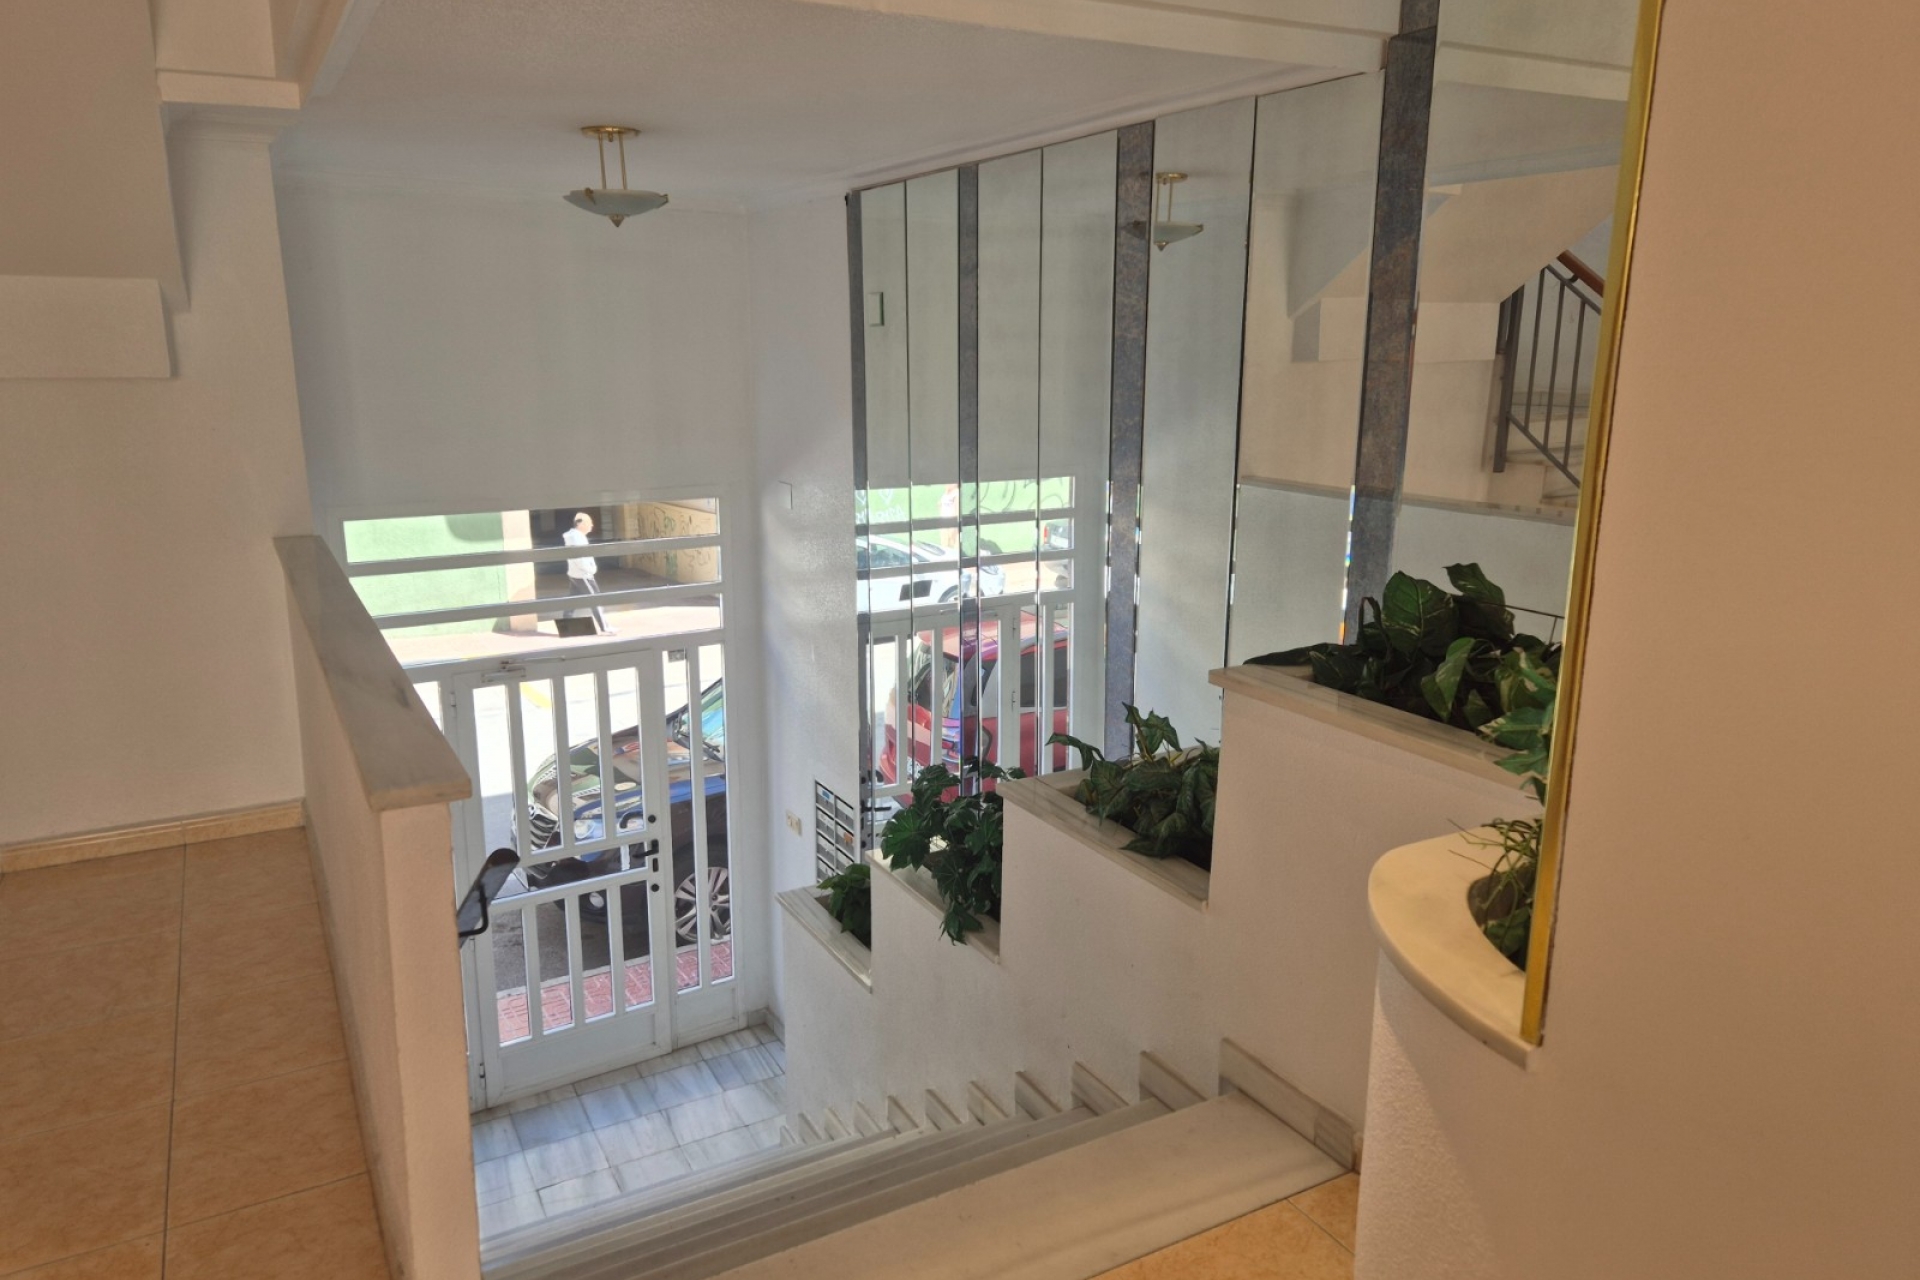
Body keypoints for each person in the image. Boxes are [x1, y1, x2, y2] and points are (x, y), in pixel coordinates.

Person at [563, 512, 612, 635]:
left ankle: (566, 628)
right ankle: (605, 628)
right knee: (595, 600)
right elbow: (580, 557)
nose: (592, 525)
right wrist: (590, 570)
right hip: (583, 575)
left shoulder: (576, 536)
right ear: (581, 524)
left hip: (576, 574)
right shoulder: (576, 538)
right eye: (589, 522)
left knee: (572, 601)